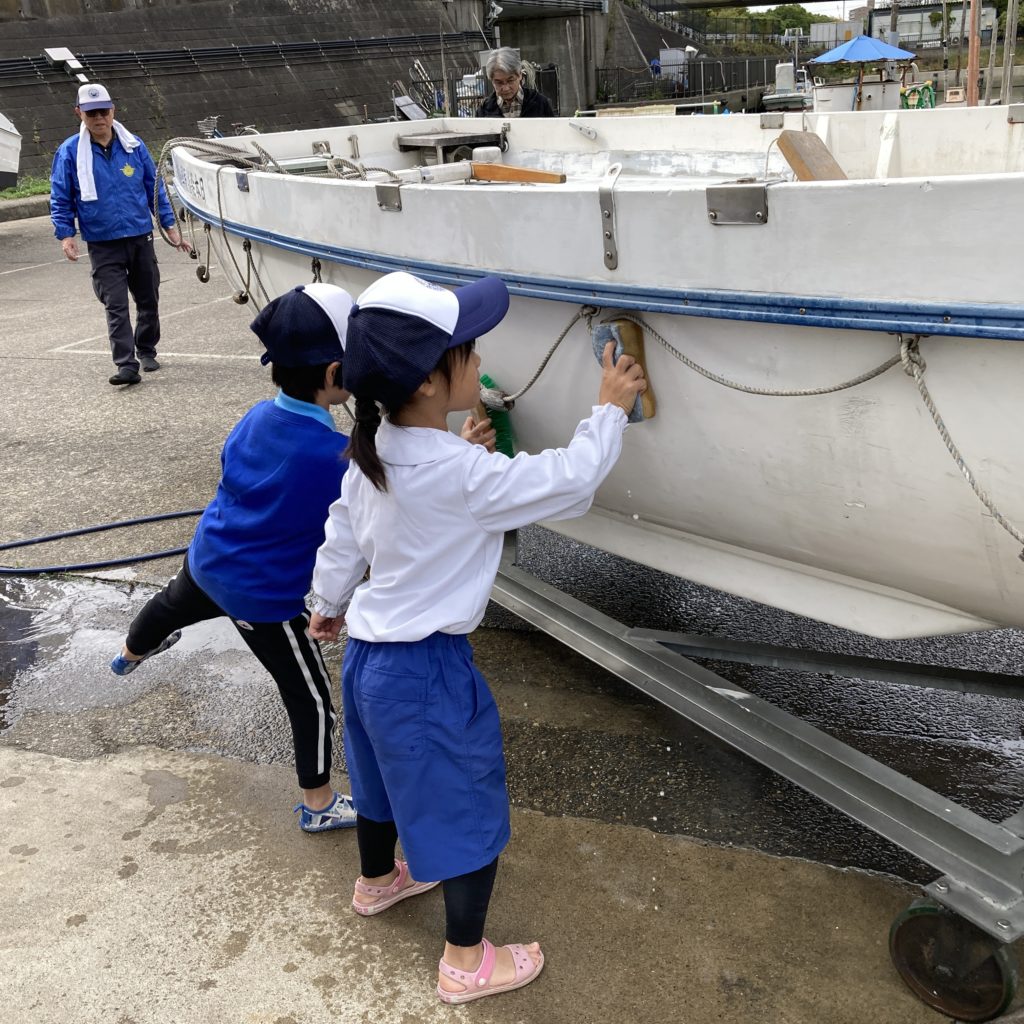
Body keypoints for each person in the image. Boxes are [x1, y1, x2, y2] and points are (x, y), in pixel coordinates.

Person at [307, 271, 646, 1002]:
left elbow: (345, 535)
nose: (480, 356)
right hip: (426, 673)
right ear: (430, 381)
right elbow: (568, 482)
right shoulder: (462, 474)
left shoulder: (374, 448)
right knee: (465, 807)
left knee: (379, 782)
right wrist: (609, 410)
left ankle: (378, 882)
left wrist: (326, 603)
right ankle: (465, 962)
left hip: (366, 662)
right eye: (467, 347)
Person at [50, 82, 192, 387]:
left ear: (113, 111)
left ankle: (146, 348)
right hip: (102, 241)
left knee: (148, 299)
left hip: (139, 236)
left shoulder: (134, 146)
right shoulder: (70, 152)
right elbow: (61, 196)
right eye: (91, 113)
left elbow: (154, 188)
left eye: (103, 111)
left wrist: (170, 227)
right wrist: (66, 235)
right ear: (79, 113)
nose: (99, 118)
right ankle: (126, 364)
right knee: (115, 304)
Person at [476, 47, 555, 118]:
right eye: (499, 83)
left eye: (510, 81)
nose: (506, 88)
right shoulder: (484, 110)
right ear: (491, 80)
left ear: (520, 75)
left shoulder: (540, 103)